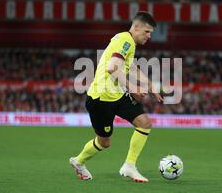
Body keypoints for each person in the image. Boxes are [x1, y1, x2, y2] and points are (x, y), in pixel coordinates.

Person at [70, 11, 163, 182]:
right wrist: (133, 88)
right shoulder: (125, 41)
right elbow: (113, 67)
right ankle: (78, 161)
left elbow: (131, 66)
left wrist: (149, 85)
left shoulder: (127, 42)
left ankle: (129, 166)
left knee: (144, 123)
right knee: (104, 142)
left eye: (151, 33)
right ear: (136, 27)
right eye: (147, 32)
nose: (149, 36)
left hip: (117, 95)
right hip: (101, 99)